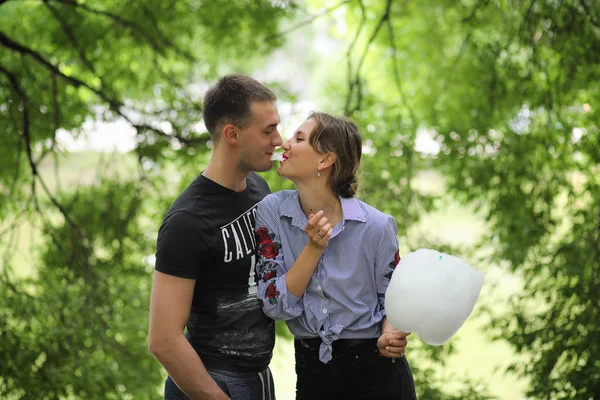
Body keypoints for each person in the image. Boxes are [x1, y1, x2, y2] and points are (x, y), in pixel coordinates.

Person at [254, 112, 417, 399]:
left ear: (325, 160)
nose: (284, 145)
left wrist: (390, 334)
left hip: (378, 377)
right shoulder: (271, 212)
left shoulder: (377, 227)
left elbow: (395, 300)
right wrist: (313, 249)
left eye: (299, 138)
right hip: (313, 376)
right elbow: (274, 305)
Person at [149, 74, 283, 400]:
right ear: (231, 134)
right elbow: (163, 340)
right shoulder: (188, 221)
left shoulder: (258, 190)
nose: (279, 140)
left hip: (260, 380)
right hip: (212, 383)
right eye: (268, 130)